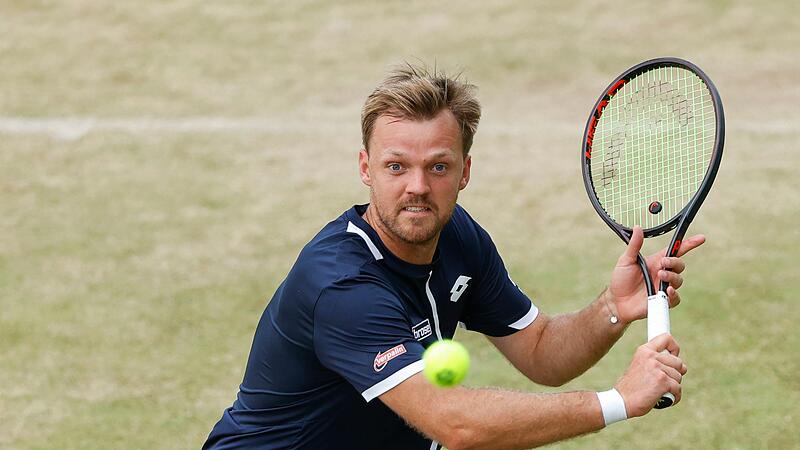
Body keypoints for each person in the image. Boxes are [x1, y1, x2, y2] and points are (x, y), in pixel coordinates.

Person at [203, 63, 704, 450]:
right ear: (366, 168)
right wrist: (617, 400)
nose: (417, 187)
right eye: (396, 166)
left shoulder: (458, 237)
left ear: (465, 171)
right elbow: (456, 424)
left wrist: (611, 308)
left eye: (438, 166)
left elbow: (541, 352)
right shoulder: (343, 285)